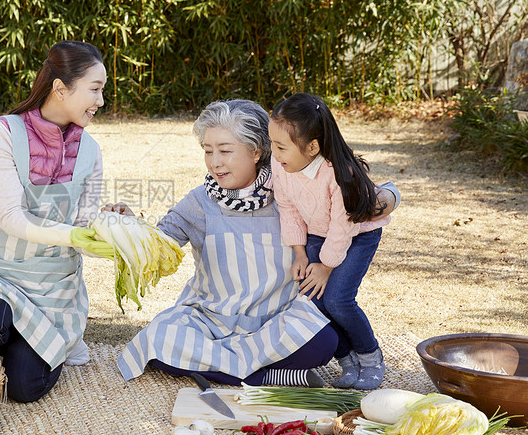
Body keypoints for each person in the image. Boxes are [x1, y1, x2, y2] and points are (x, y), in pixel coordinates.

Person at [115, 99, 398, 388]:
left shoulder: (291, 188)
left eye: (225, 151)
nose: (215, 162)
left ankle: (216, 365)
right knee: (160, 337)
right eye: (208, 151)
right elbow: (158, 242)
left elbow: (357, 191)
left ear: (256, 151)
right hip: (210, 320)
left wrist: (389, 198)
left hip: (276, 320)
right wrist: (128, 226)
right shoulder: (199, 202)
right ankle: (268, 375)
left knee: (324, 341)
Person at [0, 41, 115, 403]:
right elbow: (11, 217)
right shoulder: (4, 133)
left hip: (51, 289)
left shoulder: (90, 152)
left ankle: (36, 340)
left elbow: (85, 224)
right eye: (95, 89)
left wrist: (115, 225)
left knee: (25, 389)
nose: (101, 102)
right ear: (60, 88)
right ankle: (14, 336)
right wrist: (74, 233)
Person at [269, 92, 394, 390]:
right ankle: (347, 358)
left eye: (281, 146)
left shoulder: (339, 174)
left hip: (357, 234)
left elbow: (343, 226)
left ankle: (370, 356)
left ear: (312, 147)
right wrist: (300, 254)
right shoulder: (282, 166)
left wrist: (325, 266)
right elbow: (287, 208)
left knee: (338, 299)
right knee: (314, 299)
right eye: (272, 143)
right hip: (318, 232)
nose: (274, 153)